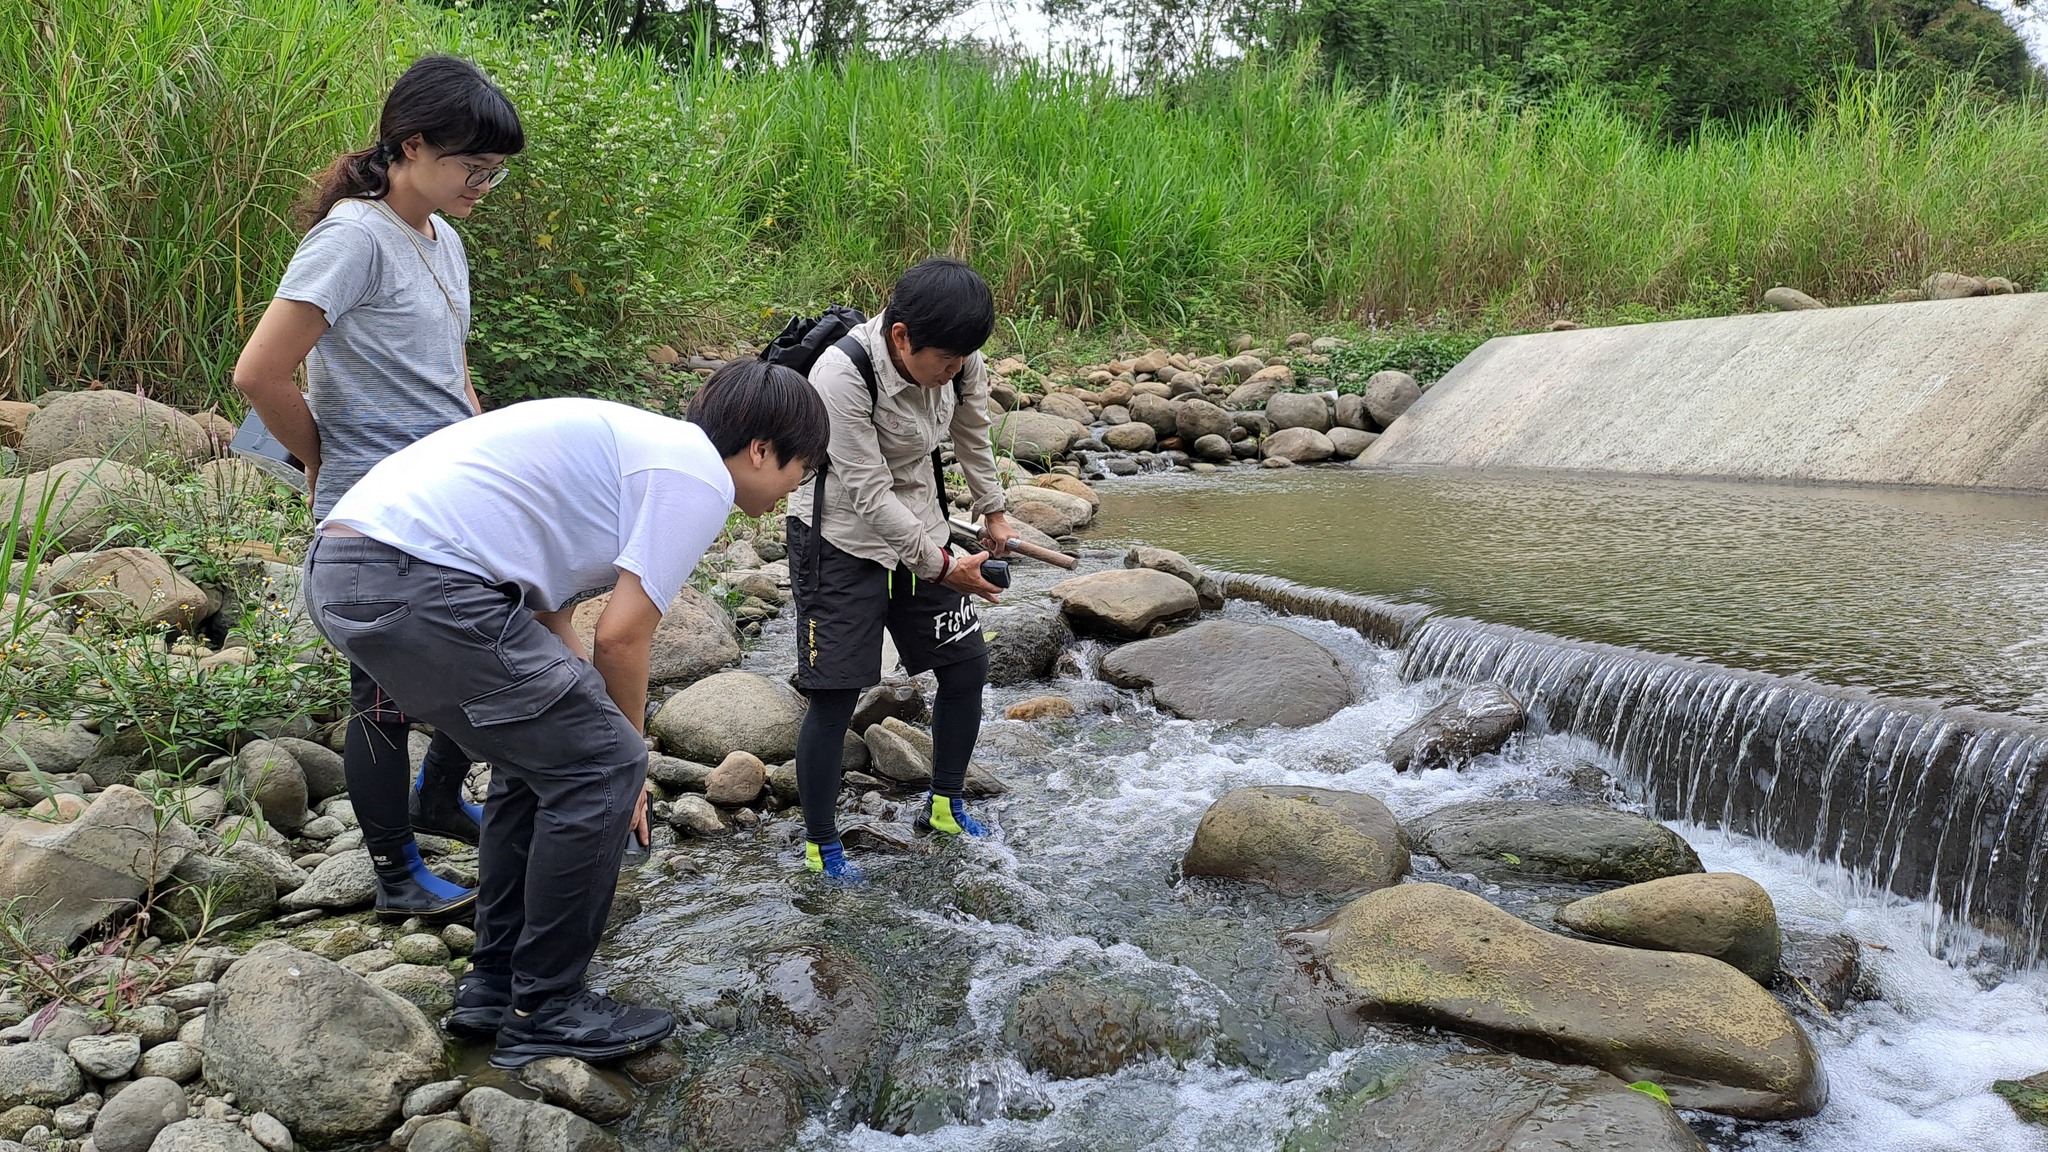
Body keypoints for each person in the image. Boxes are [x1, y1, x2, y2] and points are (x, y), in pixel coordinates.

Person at [303, 361, 829, 1066]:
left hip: (347, 572)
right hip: (415, 579)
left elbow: (556, 615)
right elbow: (623, 634)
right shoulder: (699, 474)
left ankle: (496, 986)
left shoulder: (640, 451)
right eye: (803, 466)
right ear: (761, 450)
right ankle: (547, 1007)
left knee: (545, 759)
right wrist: (625, 759)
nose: (799, 485)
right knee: (601, 764)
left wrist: (590, 734)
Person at [232, 56, 523, 918]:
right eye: (473, 166)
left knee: (497, 643)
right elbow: (261, 372)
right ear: (412, 145)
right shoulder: (353, 237)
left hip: (450, 492)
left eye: (494, 171)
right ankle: (395, 873)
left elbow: (450, 367)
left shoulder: (445, 237)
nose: (484, 182)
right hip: (380, 511)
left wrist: (484, 443)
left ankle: (438, 800)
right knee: (383, 697)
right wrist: (322, 456)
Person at [786, 257, 1015, 884]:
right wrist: (945, 569)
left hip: (923, 527)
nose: (953, 373)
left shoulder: (961, 357)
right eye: (943, 361)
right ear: (902, 336)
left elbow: (973, 435)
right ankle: (821, 843)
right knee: (835, 694)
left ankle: (945, 803)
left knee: (966, 667)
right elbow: (865, 489)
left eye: (963, 362)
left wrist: (994, 512)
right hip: (839, 541)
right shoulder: (842, 373)